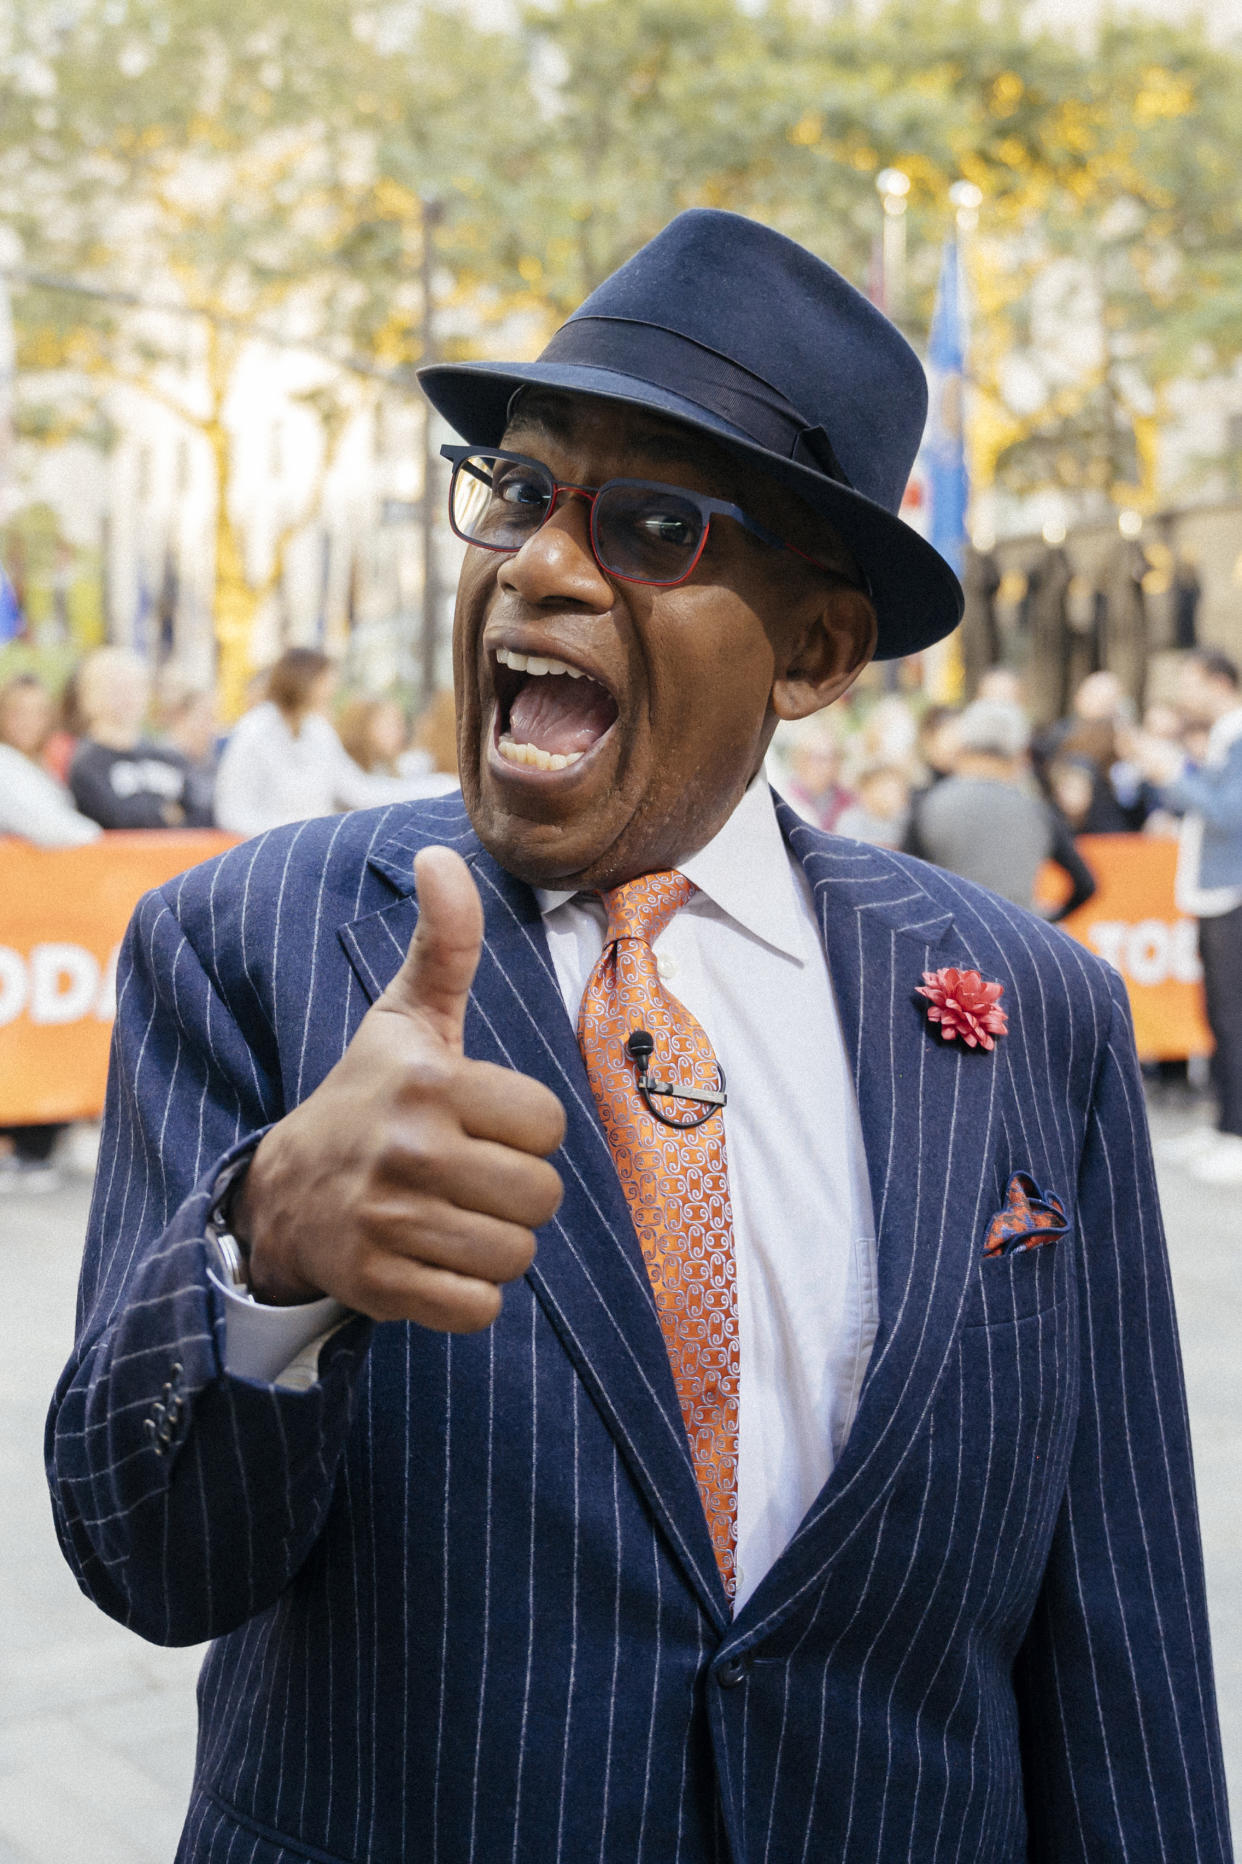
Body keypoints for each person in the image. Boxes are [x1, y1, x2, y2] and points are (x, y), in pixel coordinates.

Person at [47, 211, 1229, 1863]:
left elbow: (1121, 1635)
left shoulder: (1032, 1005)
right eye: (518, 492)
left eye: (654, 524)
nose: (537, 560)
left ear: (813, 649)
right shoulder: (249, 940)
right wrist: (270, 1248)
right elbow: (146, 1554)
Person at [1134, 648, 1242, 1185]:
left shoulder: (1238, 735)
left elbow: (1229, 813)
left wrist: (1174, 771)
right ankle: (1225, 1126)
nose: (1182, 694)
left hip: (1232, 893)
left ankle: (1236, 1132)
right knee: (1218, 1016)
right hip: (1216, 892)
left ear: (1220, 683)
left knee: (1232, 1016)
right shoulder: (1224, 737)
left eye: (1191, 683)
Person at [915, 698, 1095, 919]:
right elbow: (1086, 884)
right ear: (1018, 755)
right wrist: (1044, 921)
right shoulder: (1036, 811)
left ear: (963, 749)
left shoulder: (931, 804)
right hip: (1018, 941)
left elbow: (905, 881)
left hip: (951, 939)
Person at [68, 647, 208, 829]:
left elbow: (202, 814)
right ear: (89, 695)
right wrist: (166, 814)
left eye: (134, 686)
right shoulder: (87, 764)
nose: (127, 696)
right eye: (115, 688)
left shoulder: (169, 757)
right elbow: (116, 819)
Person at [0, 672, 101, 848]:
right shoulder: (4, 762)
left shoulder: (46, 768)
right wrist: (100, 840)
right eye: (18, 711)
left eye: (38, 712)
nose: (28, 721)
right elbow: (44, 825)